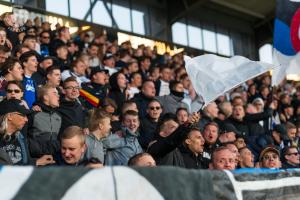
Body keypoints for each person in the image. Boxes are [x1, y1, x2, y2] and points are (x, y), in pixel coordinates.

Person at [0, 99, 54, 166]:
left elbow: (24, 161)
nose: (26, 120)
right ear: (10, 116)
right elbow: (5, 170)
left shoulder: (20, 137)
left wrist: (36, 161)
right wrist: (35, 163)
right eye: (23, 115)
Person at [27, 85, 61, 157]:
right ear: (45, 97)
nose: (58, 96)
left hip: (54, 159)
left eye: (58, 94)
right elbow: (25, 138)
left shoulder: (58, 116)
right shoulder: (33, 114)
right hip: (35, 158)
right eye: (54, 93)